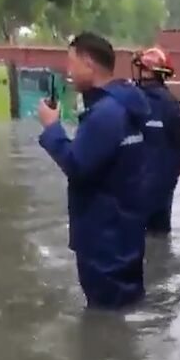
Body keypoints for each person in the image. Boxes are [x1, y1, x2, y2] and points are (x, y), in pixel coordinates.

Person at [38, 32, 155, 310]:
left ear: (89, 63)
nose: (68, 71)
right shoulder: (126, 107)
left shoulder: (105, 114)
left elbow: (78, 166)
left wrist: (52, 128)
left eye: (72, 62)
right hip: (125, 238)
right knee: (123, 313)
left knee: (105, 317)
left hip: (104, 244)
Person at [133, 47, 180, 234]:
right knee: (160, 238)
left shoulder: (128, 101)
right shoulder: (173, 106)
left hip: (131, 191)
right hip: (162, 190)